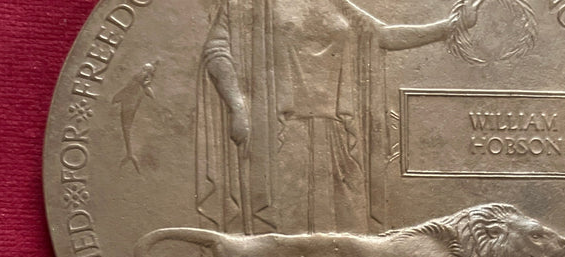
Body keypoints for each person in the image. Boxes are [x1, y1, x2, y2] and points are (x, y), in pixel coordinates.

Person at [197, 0, 484, 235]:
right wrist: (237, 107)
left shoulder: (338, 5)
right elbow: (217, 50)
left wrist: (449, 27)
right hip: (282, 136)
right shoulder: (252, 4)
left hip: (338, 136)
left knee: (346, 233)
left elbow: (384, 36)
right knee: (283, 232)